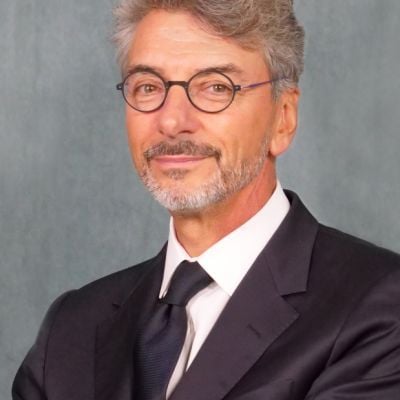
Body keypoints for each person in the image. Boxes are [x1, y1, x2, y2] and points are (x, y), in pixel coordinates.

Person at [12, 0, 400, 399]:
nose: (172, 120)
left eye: (216, 86)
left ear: (283, 117)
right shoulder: (70, 330)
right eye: (148, 86)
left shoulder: (380, 309)